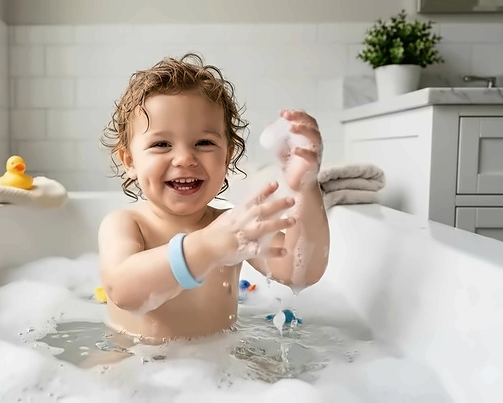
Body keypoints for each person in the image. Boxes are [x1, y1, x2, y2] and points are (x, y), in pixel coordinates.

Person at [98, 52, 330, 344]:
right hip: (137, 362)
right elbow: (124, 291)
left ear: (227, 156)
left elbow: (300, 272)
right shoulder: (127, 224)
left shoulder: (231, 226)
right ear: (129, 160)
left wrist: (305, 186)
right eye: (161, 144)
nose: (184, 158)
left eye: (204, 142)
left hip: (220, 370)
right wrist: (208, 246)